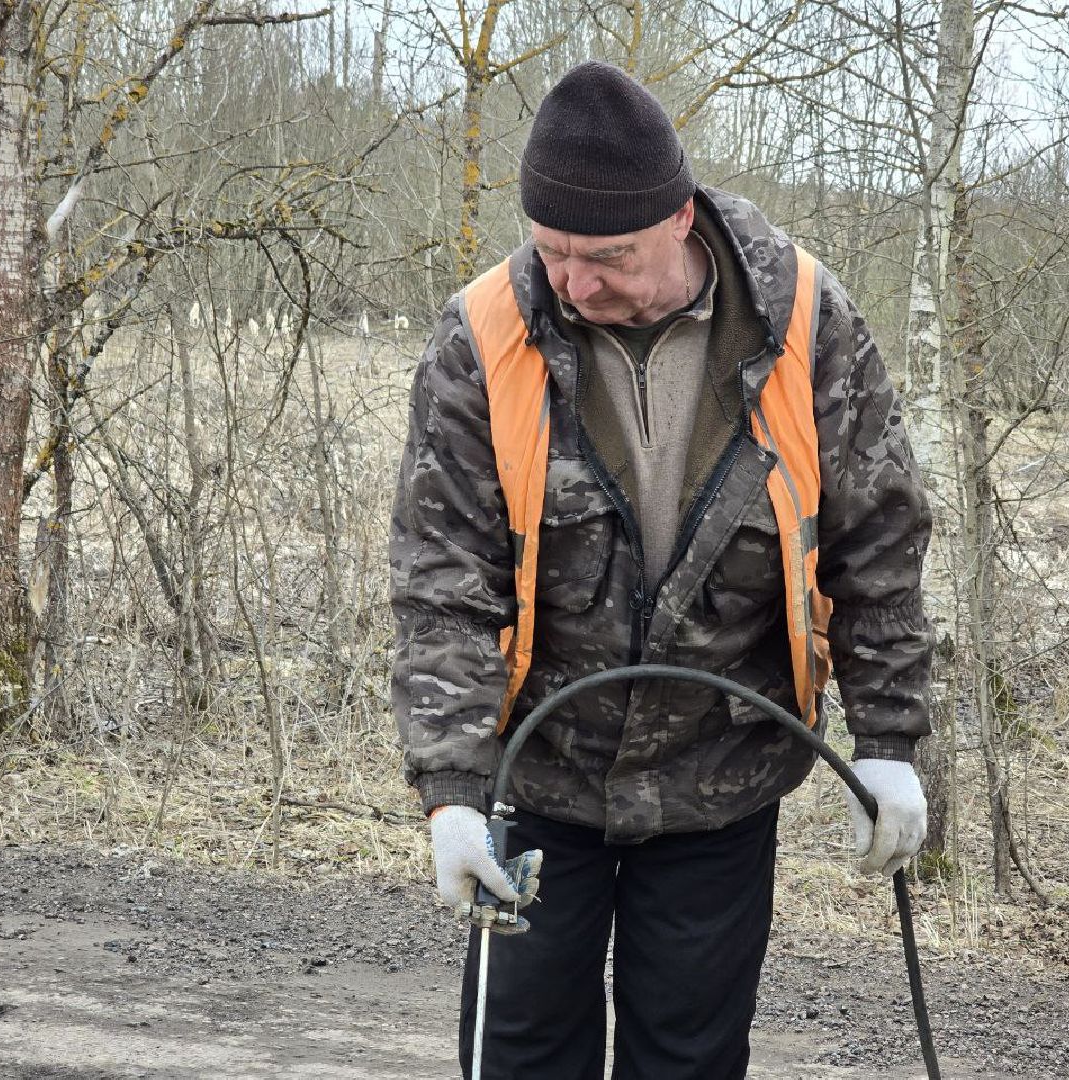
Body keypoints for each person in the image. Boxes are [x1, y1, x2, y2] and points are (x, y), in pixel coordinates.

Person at [390, 60, 932, 1080]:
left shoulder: (805, 321)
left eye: (608, 257)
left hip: (720, 775)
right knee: (519, 1058)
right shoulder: (483, 336)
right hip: (536, 772)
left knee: (689, 1060)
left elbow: (878, 541)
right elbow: (442, 580)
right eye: (552, 251)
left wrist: (890, 739)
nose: (575, 283)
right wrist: (452, 790)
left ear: (680, 219)